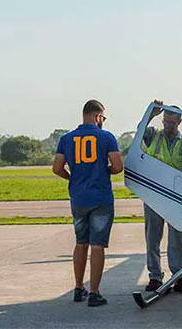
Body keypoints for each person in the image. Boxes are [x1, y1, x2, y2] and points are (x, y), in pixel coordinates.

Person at [52, 99, 123, 307]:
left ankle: (78, 287)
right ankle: (94, 292)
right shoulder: (106, 137)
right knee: (98, 245)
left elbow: (57, 168)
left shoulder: (66, 139)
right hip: (100, 197)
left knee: (80, 242)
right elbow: (118, 166)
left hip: (79, 197)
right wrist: (105, 171)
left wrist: (73, 178)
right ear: (98, 116)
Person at [142, 100, 182, 294]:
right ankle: (154, 276)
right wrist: (151, 114)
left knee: (176, 239)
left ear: (179, 122)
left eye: (171, 123)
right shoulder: (153, 136)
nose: (167, 126)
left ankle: (180, 276)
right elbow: (140, 131)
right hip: (153, 194)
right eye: (165, 122)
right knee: (152, 238)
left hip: (174, 197)